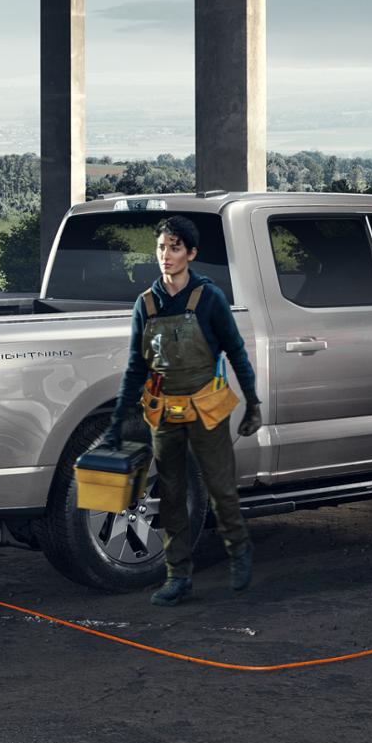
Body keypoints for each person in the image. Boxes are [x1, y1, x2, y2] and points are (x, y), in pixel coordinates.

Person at [107, 215, 262, 606]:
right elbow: (135, 366)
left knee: (220, 489)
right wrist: (118, 419)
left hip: (208, 409)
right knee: (172, 496)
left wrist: (253, 403)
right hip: (164, 413)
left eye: (175, 247)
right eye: (161, 247)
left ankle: (239, 549)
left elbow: (236, 352)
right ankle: (179, 576)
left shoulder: (208, 298)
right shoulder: (145, 304)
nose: (166, 255)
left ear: (191, 254)